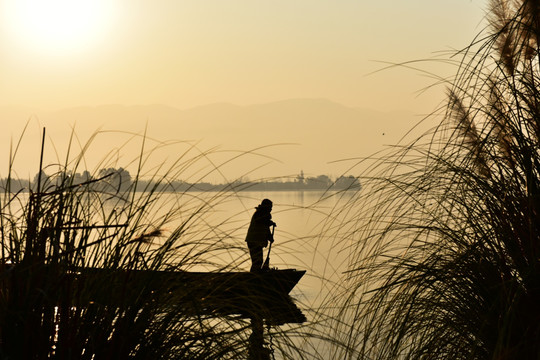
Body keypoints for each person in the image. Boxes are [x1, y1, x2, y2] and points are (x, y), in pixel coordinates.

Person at [245, 199, 276, 272]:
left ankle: (256, 275)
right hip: (253, 241)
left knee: (259, 261)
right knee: (257, 262)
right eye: (270, 207)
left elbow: (265, 228)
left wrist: (270, 238)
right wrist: (269, 223)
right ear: (266, 207)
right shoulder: (258, 214)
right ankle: (253, 277)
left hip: (257, 242)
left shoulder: (264, 215)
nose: (271, 209)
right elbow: (262, 221)